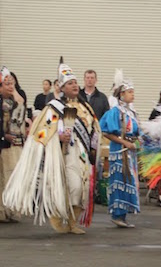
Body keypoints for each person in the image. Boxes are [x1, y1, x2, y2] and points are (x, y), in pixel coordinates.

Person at [3, 60, 100, 234]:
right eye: (70, 83)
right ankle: (57, 217)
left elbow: (95, 129)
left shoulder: (85, 106)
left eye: (76, 83)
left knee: (83, 189)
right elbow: (41, 133)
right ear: (62, 88)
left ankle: (72, 222)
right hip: (66, 153)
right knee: (72, 185)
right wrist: (58, 137)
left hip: (83, 155)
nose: (75, 86)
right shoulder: (55, 108)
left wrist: (93, 148)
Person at [99, 70, 141, 228]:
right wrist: (124, 142)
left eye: (133, 92)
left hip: (130, 151)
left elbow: (136, 131)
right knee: (120, 180)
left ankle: (123, 215)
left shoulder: (131, 112)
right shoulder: (115, 112)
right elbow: (107, 132)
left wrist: (137, 140)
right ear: (122, 94)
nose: (133, 95)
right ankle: (117, 215)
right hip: (120, 152)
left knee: (129, 181)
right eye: (130, 92)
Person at [0, 68, 27, 222]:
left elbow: (21, 108)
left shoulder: (19, 98)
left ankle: (13, 210)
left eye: (12, 83)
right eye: (6, 83)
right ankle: (2, 211)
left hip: (15, 144)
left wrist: (14, 90)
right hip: (3, 142)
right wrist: (4, 136)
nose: (10, 86)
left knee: (13, 176)